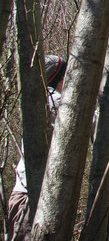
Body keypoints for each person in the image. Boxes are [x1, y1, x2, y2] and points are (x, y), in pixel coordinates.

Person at [7, 55, 67, 241]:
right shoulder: (56, 101)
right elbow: (90, 123)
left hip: (21, 189)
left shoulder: (35, 99)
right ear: (58, 77)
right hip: (32, 194)